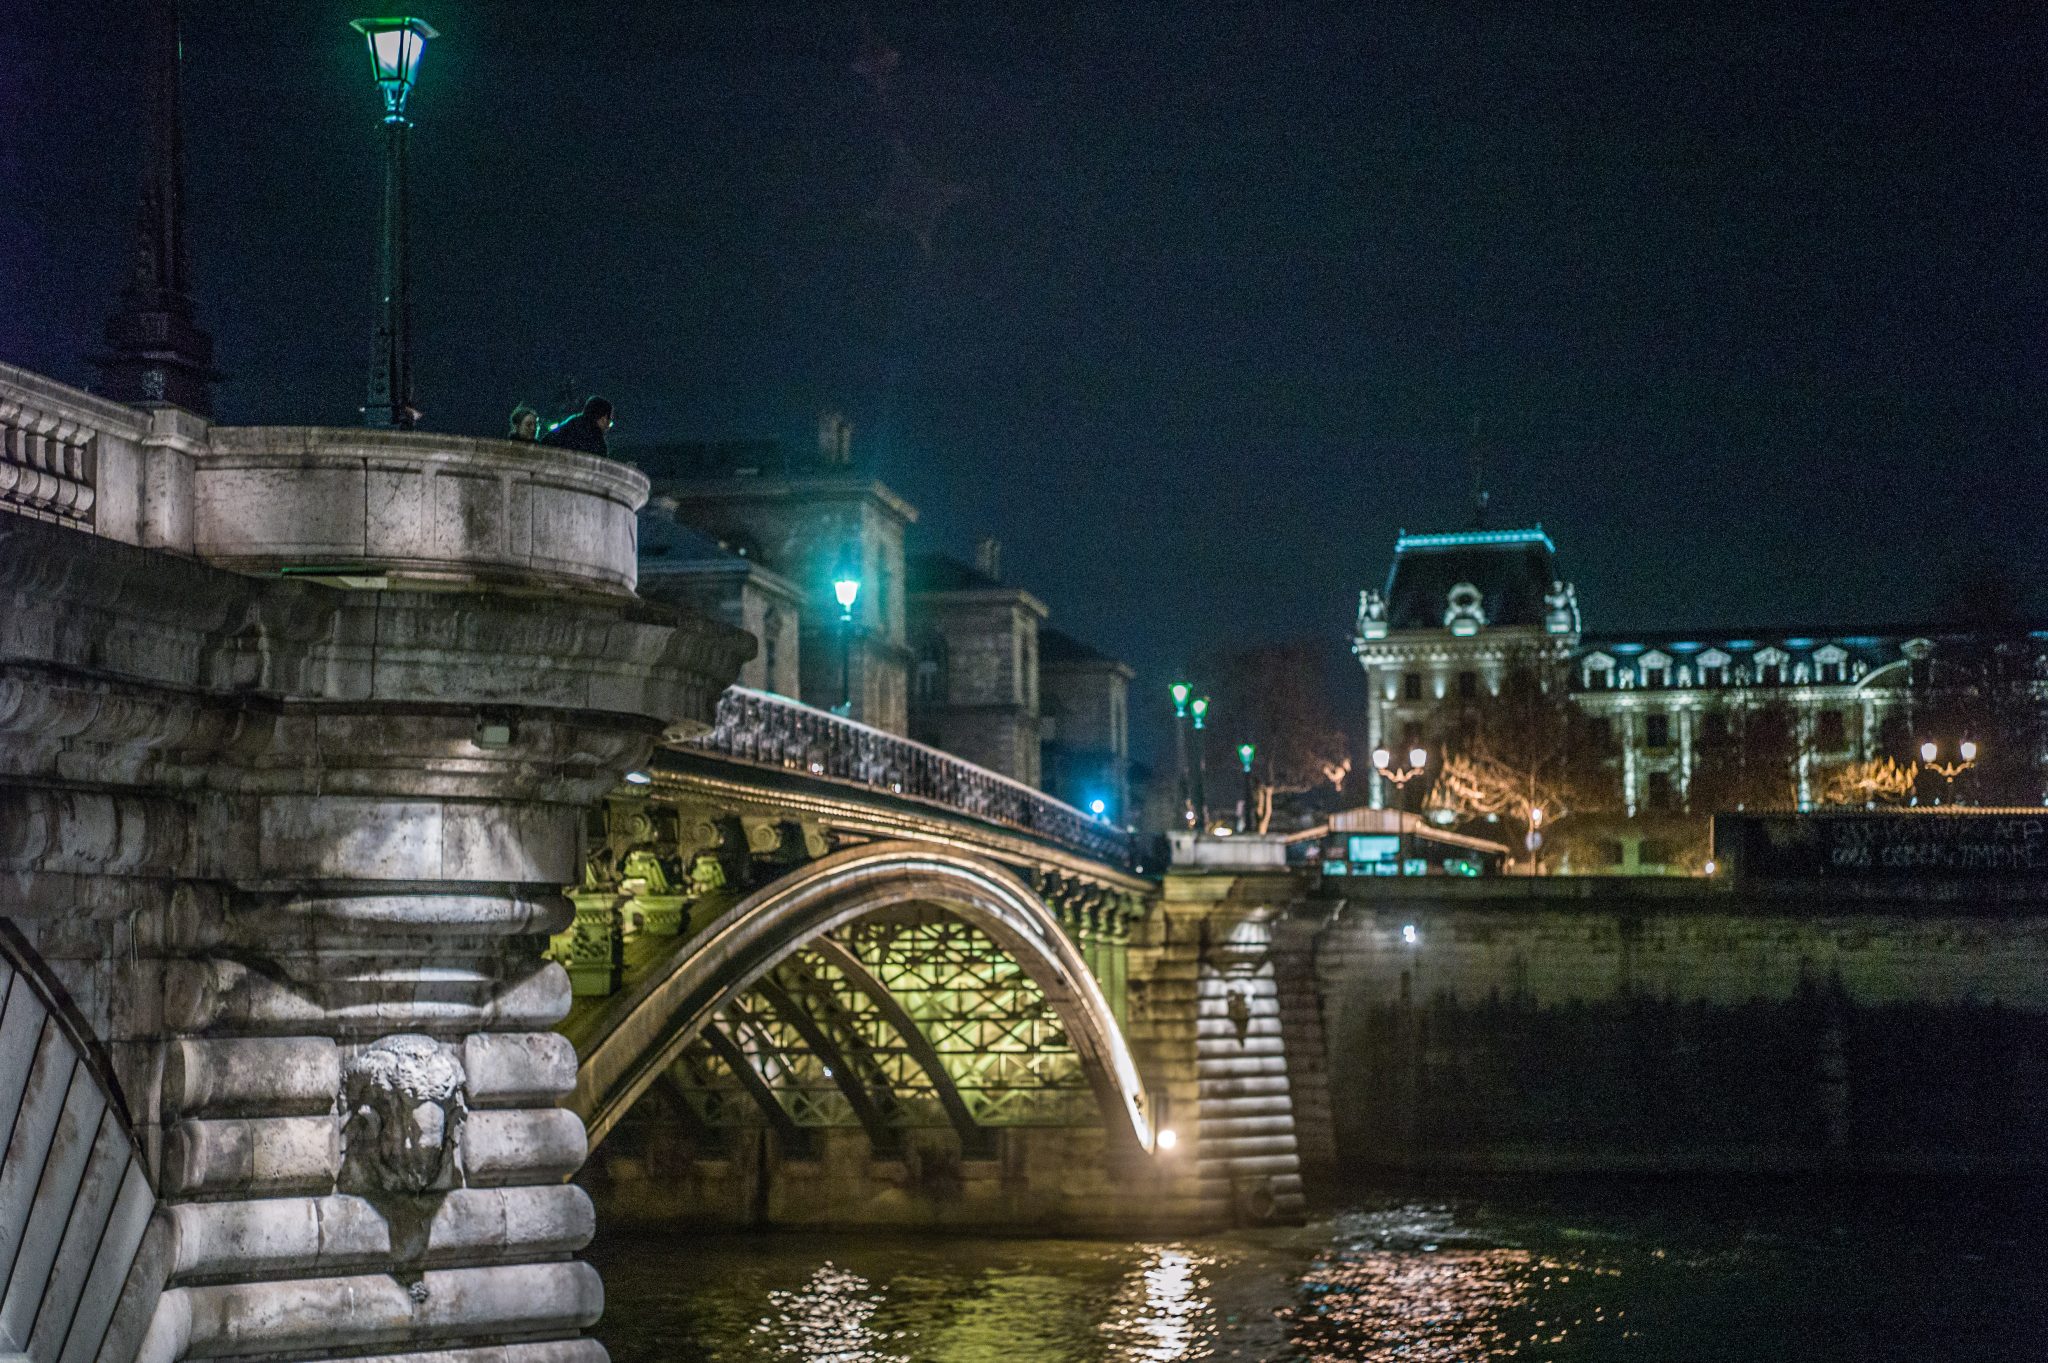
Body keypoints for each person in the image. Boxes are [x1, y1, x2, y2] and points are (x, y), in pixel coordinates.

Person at [539, 396, 613, 456]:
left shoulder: (564, 429)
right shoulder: (597, 444)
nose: (608, 427)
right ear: (604, 418)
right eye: (609, 421)